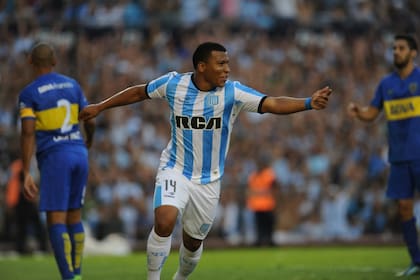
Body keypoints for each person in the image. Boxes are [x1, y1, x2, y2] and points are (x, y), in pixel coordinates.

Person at [79, 41, 332, 280]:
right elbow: (138, 93)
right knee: (164, 220)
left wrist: (308, 103)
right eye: (221, 63)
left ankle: (180, 277)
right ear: (202, 67)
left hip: (208, 181)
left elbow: (271, 102)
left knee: (192, 244)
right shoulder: (173, 84)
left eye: (227, 63)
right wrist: (100, 106)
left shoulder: (233, 92)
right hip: (175, 168)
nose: (227, 69)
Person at [19, 42, 95, 280]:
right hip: (78, 152)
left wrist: (26, 171)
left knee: (56, 220)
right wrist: (88, 140)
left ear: (31, 62)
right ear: (54, 61)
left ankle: (68, 277)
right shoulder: (72, 85)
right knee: (75, 217)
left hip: (55, 156)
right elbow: (89, 118)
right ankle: (78, 274)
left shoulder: (29, 93)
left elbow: (28, 132)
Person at [347, 34, 420, 277]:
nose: (396, 52)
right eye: (394, 48)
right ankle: (416, 261)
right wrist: (359, 112)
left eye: (401, 48)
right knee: (404, 208)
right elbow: (372, 113)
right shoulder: (386, 84)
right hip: (399, 157)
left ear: (413, 53)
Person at [6, 158, 48, 255]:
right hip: (23, 201)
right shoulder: (21, 166)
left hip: (25, 201)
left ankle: (24, 248)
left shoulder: (18, 166)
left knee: (26, 226)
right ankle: (25, 248)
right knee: (24, 226)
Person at [246, 154, 278, 247]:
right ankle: (260, 240)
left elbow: (275, 187)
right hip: (257, 205)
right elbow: (249, 190)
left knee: (268, 225)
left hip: (268, 204)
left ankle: (269, 240)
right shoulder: (254, 175)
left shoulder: (268, 174)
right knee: (260, 225)